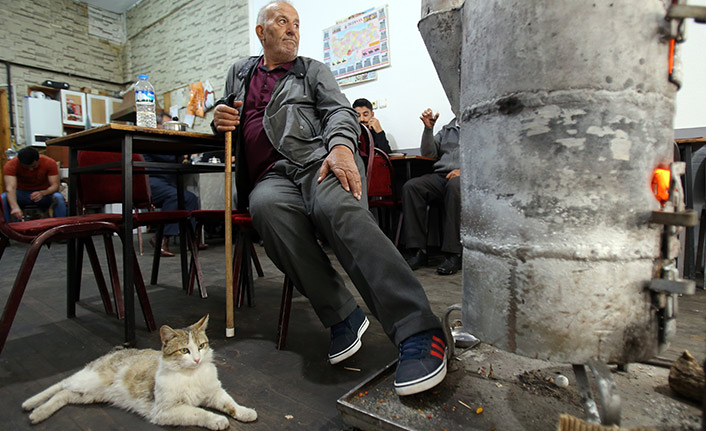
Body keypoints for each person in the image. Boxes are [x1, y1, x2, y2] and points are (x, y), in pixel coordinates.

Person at [212, 1, 447, 397]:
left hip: (317, 159)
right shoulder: (240, 72)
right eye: (282, 21)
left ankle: (419, 328)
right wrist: (218, 119)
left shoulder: (311, 70)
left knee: (335, 207)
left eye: (297, 23)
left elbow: (339, 111)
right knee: (266, 209)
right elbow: (226, 119)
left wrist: (340, 146)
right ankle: (343, 314)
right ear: (261, 33)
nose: (292, 29)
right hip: (272, 176)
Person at [402, 108, 462, 275]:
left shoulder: (479, 125)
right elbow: (428, 153)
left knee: (455, 186)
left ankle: (453, 254)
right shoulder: (447, 129)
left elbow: (486, 156)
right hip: (441, 176)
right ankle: (418, 251)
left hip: (467, 177)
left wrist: (465, 171)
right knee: (412, 187)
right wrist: (428, 129)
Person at [142, 112, 204, 257]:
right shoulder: (152, 139)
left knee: (190, 198)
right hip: (150, 182)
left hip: (165, 183)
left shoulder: (165, 143)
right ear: (157, 126)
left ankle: (190, 239)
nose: (170, 130)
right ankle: (160, 239)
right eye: (167, 126)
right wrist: (185, 154)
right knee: (175, 197)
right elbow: (170, 156)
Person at [2, 147, 66, 222]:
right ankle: (7, 230)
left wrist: (43, 193)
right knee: (3, 198)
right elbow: (10, 188)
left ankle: (60, 226)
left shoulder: (49, 163)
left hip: (44, 194)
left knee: (59, 197)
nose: (30, 170)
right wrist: (14, 207)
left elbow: (55, 186)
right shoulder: (11, 165)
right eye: (26, 167)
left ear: (38, 159)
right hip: (21, 194)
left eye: (33, 166)